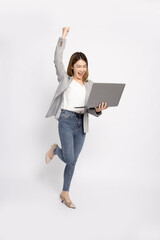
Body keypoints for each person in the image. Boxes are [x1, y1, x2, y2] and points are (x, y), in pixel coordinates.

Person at [45, 27, 109, 209]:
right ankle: (55, 150)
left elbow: (91, 110)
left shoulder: (90, 85)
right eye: (78, 65)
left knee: (72, 161)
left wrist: (99, 109)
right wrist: (62, 38)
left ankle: (65, 192)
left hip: (82, 124)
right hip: (66, 120)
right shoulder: (65, 79)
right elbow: (57, 60)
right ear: (72, 66)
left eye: (84, 66)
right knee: (68, 157)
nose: (81, 69)